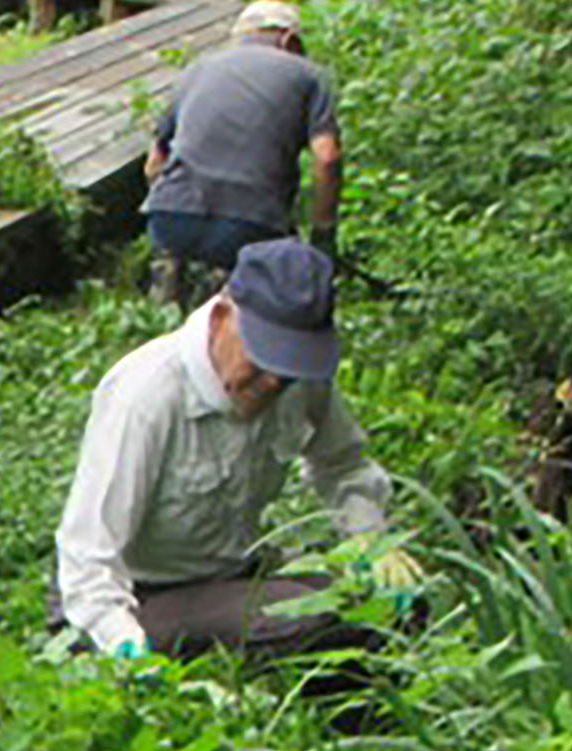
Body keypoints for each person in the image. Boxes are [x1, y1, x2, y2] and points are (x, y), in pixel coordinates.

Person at [56, 236, 419, 666]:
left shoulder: (298, 381)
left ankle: (366, 724)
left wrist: (370, 540)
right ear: (223, 315)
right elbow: (87, 553)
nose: (271, 385)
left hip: (230, 575)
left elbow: (342, 464)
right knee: (322, 622)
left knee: (393, 609)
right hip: (135, 595)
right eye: (262, 361)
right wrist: (121, 643)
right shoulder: (146, 396)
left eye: (286, 372)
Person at [140, 0, 340, 307]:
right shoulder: (308, 74)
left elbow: (154, 165)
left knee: (167, 317)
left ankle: (165, 309)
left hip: (170, 215)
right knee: (248, 314)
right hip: (250, 223)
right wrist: (322, 234)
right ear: (289, 40)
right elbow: (326, 158)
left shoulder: (194, 71)